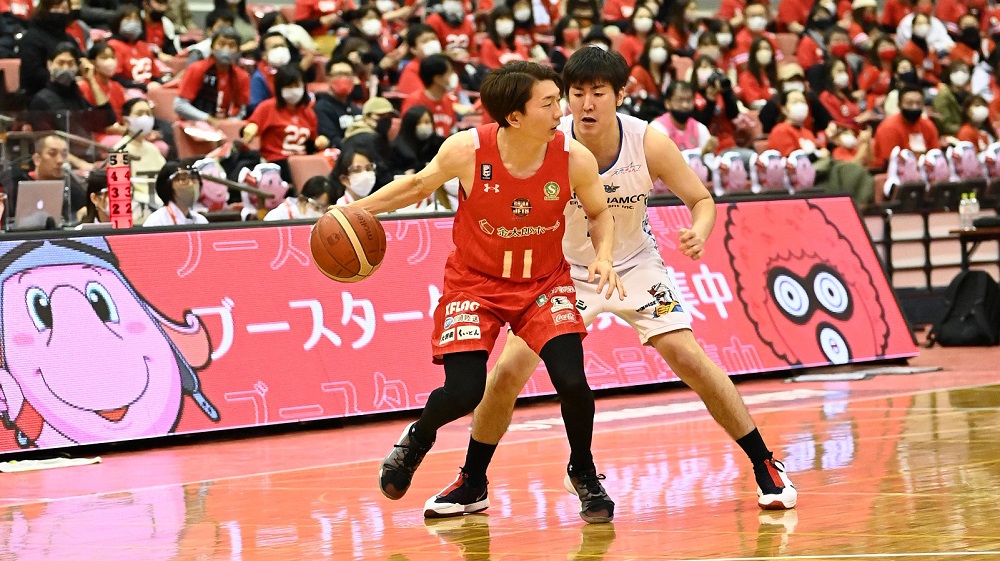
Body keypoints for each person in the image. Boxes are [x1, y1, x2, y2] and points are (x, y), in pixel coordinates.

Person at [421, 47, 797, 520]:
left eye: (598, 93)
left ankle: (765, 463)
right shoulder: (545, 139)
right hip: (561, 273)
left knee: (689, 358)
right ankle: (473, 481)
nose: (586, 104)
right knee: (507, 373)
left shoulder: (649, 142)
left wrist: (698, 232)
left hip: (634, 264)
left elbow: (701, 199)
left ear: (620, 95)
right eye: (576, 93)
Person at [354, 60, 625, 524]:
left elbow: (600, 213)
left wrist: (603, 255)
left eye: (558, 100)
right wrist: (355, 211)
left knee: (573, 382)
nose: (560, 111)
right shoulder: (467, 149)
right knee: (464, 391)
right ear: (514, 116)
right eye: (549, 103)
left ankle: (583, 471)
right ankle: (418, 438)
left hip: (543, 284)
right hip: (474, 284)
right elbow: (416, 185)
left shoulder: (573, 157)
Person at [242, 65, 329, 178]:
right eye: (288, 86)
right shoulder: (267, 107)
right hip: (275, 163)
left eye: (297, 86)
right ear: (280, 88)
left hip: (301, 164)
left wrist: (321, 142)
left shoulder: (308, 113)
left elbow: (312, 144)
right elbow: (249, 128)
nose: (293, 90)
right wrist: (251, 127)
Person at [174, 26, 251, 125]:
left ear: (238, 51)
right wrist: (209, 119)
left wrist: (228, 123)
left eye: (232, 46)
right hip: (193, 125)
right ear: (212, 47)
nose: (226, 49)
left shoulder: (242, 76)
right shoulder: (196, 69)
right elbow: (180, 105)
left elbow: (242, 110)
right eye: (221, 44)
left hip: (225, 126)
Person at [143, 162, 209, 226]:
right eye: (183, 179)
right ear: (168, 186)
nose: (191, 184)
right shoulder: (156, 221)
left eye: (194, 179)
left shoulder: (201, 220)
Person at [264, 175, 331, 220]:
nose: (322, 214)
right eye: (317, 208)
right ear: (302, 200)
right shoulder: (277, 217)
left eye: (326, 210)